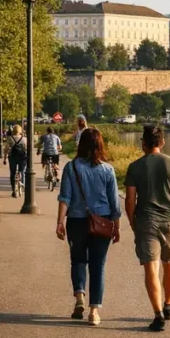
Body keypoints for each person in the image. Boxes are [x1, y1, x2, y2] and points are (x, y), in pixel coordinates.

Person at [124, 125, 170, 332]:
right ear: (162, 142)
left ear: (143, 143)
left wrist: (132, 221)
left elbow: (130, 200)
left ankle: (158, 314)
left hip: (146, 221)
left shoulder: (135, 167)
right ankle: (169, 304)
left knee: (151, 267)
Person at [56, 128, 121, 326]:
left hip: (76, 221)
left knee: (77, 260)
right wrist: (116, 227)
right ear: (100, 145)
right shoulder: (107, 170)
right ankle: (94, 312)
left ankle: (79, 297)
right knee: (98, 265)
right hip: (102, 221)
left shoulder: (71, 167)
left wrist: (60, 222)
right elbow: (114, 204)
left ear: (81, 144)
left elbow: (65, 197)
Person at [4, 125, 29, 197]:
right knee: (22, 171)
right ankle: (22, 184)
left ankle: (13, 188)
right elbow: (27, 149)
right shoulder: (24, 139)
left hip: (12, 157)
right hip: (22, 157)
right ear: (20, 131)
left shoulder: (10, 138)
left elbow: (6, 149)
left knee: (12, 172)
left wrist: (5, 158)